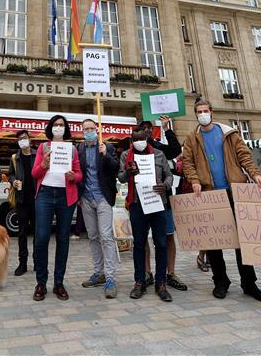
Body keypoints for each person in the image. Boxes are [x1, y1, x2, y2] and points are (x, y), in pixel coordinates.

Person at [182, 99, 261, 303]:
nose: (202, 114)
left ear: (211, 112)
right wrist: (194, 180)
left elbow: (244, 156)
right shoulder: (192, 137)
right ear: (196, 114)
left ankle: (249, 283)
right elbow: (188, 162)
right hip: (209, 194)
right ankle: (220, 282)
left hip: (233, 192)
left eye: (205, 110)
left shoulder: (228, 133)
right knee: (214, 243)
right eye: (199, 111)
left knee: (243, 241)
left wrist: (255, 173)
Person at [31, 114, 83, 301]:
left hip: (65, 197)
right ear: (51, 128)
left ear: (66, 128)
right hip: (45, 194)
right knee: (42, 237)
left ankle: (59, 283)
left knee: (63, 238)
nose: (59, 127)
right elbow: (35, 173)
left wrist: (73, 177)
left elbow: (79, 174)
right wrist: (44, 164)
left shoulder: (72, 150)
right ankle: (41, 283)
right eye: (56, 125)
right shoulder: (43, 147)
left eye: (62, 125)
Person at [118, 128, 173, 302]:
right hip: (137, 205)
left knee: (161, 243)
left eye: (141, 138)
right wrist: (128, 173)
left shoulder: (159, 154)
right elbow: (120, 177)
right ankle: (139, 281)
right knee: (139, 244)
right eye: (135, 139)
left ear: (147, 138)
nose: (138, 141)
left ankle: (161, 283)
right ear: (131, 140)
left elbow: (169, 175)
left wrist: (165, 185)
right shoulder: (126, 155)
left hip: (158, 203)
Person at [138, 115, 185, 290]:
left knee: (168, 236)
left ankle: (170, 273)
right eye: (144, 127)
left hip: (163, 201)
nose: (148, 130)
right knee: (142, 238)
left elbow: (174, 150)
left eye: (150, 127)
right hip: (142, 201)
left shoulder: (158, 147)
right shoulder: (132, 149)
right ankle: (147, 273)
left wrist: (166, 128)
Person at [76, 119, 119, 299]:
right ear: (81, 131)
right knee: (93, 236)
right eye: (86, 129)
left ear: (97, 129)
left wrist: (106, 156)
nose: (89, 131)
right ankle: (98, 272)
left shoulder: (106, 147)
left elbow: (116, 168)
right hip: (86, 198)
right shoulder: (78, 149)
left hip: (103, 197)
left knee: (106, 236)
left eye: (92, 128)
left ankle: (110, 277)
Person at [9, 129, 37, 276]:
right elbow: (11, 174)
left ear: (29, 139)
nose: (22, 140)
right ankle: (22, 264)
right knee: (22, 233)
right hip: (22, 200)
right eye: (20, 139)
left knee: (38, 234)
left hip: (37, 200)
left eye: (24, 138)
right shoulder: (15, 157)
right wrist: (13, 181)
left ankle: (37, 262)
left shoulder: (37, 154)